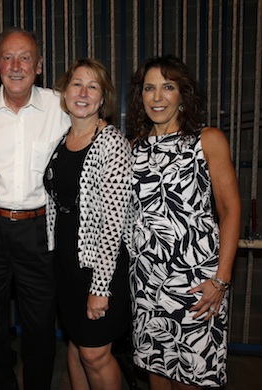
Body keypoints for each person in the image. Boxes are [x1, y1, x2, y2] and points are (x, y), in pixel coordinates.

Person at [124, 54, 241, 389]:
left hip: (197, 285)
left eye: (168, 86)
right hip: (147, 284)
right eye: (149, 88)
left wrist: (221, 280)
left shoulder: (208, 140)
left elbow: (231, 210)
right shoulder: (133, 147)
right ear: (140, 95)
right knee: (157, 372)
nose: (157, 97)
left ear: (182, 94)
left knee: (193, 377)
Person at [0, 27, 70, 390]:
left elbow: (94, 133)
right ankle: (0, 384)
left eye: (25, 57)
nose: (16, 66)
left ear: (38, 65)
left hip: (38, 228)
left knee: (41, 320)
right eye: (8, 58)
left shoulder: (61, 107)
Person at [43, 58, 132, 390]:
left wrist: (100, 288)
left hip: (100, 267)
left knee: (95, 354)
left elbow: (112, 224)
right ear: (64, 94)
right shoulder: (62, 142)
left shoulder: (111, 144)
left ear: (103, 97)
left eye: (92, 86)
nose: (83, 92)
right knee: (77, 344)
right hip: (67, 262)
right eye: (76, 84)